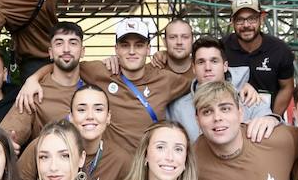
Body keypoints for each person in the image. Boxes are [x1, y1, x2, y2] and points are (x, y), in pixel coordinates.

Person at [18, 18, 193, 157]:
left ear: (148, 49)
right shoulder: (101, 71)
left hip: (149, 166)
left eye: (139, 45)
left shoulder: (165, 79)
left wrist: (166, 55)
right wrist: (33, 79)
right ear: (116, 49)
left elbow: (200, 81)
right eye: (125, 45)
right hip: (110, 168)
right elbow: (66, 61)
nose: (132, 52)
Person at [17, 83, 130, 180]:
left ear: (108, 117)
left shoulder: (120, 159)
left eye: (98, 109)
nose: (90, 116)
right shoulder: (43, 146)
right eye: (81, 110)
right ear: (70, 117)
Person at [1, 21, 87, 149]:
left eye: (73, 43)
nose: (66, 49)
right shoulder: (34, 92)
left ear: (82, 51)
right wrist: (4, 142)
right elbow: (8, 133)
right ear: (51, 53)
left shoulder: (95, 81)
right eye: (59, 43)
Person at [168, 36, 270, 141]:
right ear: (193, 68)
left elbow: (274, 132)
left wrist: (272, 119)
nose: (208, 68)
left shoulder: (249, 99)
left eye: (214, 61)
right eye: (201, 62)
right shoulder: (178, 109)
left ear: (225, 66)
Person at [222, 0, 296, 115]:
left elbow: (287, 87)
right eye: (240, 20)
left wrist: (274, 117)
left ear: (261, 18)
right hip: (230, 119)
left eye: (252, 19)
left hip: (266, 120)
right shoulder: (221, 48)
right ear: (232, 21)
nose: (246, 25)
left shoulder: (280, 50)